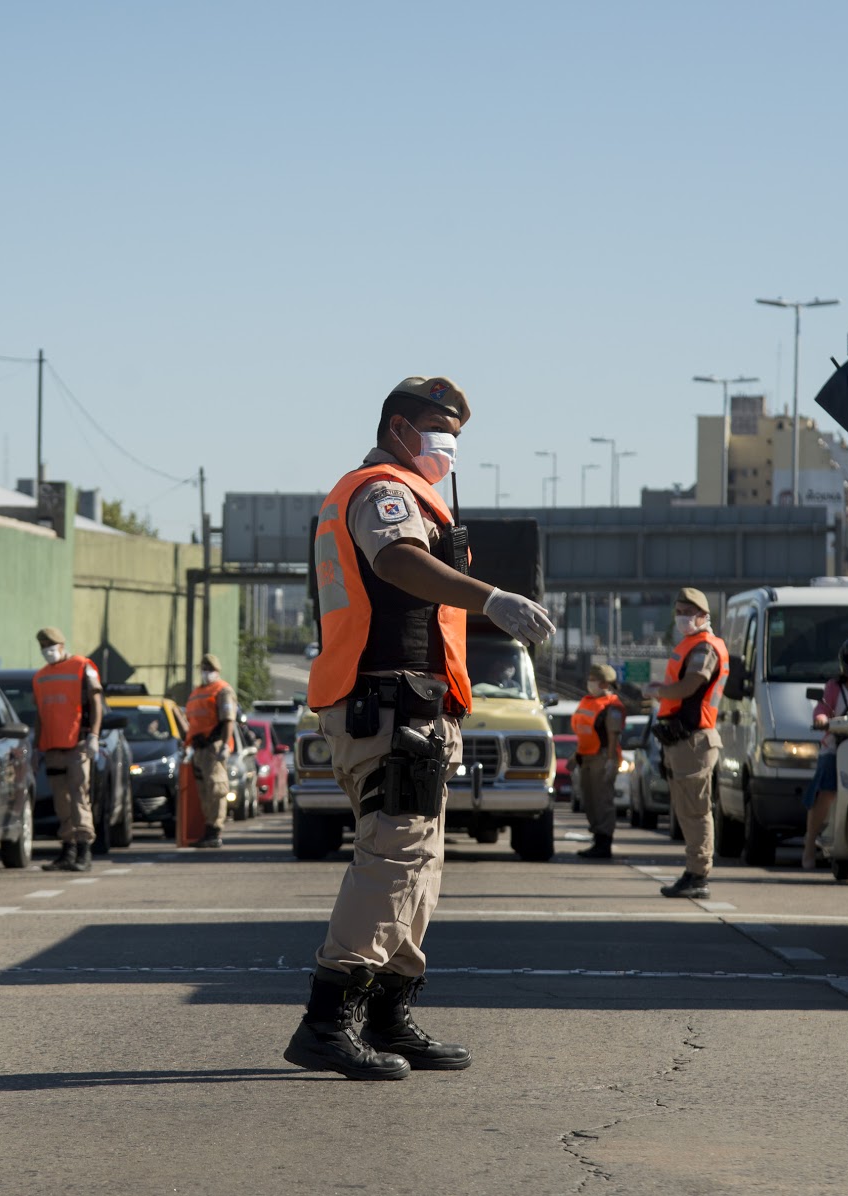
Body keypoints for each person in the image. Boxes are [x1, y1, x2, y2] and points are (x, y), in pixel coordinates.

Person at [285, 376, 556, 1082]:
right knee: (394, 856)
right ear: (399, 428)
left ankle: (388, 1014)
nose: (450, 444)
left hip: (413, 708)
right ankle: (326, 1019)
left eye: (458, 433)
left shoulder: (397, 491)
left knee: (419, 865)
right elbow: (398, 561)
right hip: (387, 704)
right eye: (440, 428)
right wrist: (491, 599)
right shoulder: (384, 491)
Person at [646, 587, 730, 899]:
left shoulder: (704, 648)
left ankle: (698, 875)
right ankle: (694, 872)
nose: (682, 617)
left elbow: (691, 685)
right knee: (688, 810)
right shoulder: (694, 644)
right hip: (687, 739)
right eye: (678, 611)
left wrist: (658, 691)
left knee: (695, 811)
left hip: (694, 739)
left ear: (704, 616)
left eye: (688, 611)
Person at [32, 626, 104, 872]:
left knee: (78, 797)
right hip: (53, 747)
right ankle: (68, 849)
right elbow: (41, 714)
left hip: (78, 744)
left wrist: (94, 735)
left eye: (50, 646)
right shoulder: (40, 676)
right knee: (61, 801)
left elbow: (96, 703)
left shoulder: (83, 666)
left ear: (61, 646)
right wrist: (35, 747)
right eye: (43, 647)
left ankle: (84, 850)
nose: (47, 651)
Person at [802, 636, 848, 870]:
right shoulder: (834, 687)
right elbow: (822, 709)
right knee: (826, 789)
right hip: (835, 746)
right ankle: (808, 845)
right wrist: (821, 719)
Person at [572, 663, 627, 860]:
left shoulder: (612, 706)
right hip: (586, 756)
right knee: (589, 800)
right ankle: (597, 838)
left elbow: (613, 734)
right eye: (590, 679)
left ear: (606, 684)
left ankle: (604, 843)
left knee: (602, 800)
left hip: (602, 757)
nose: (590, 683)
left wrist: (611, 761)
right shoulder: (587, 701)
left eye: (595, 680)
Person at [183, 653, 237, 849]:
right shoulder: (197, 692)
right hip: (198, 748)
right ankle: (208, 830)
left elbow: (228, 719)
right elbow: (191, 721)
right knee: (204, 791)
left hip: (214, 746)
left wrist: (224, 745)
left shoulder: (223, 690)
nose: (206, 673)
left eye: (210, 669)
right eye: (204, 669)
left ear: (217, 671)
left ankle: (214, 831)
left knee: (216, 788)